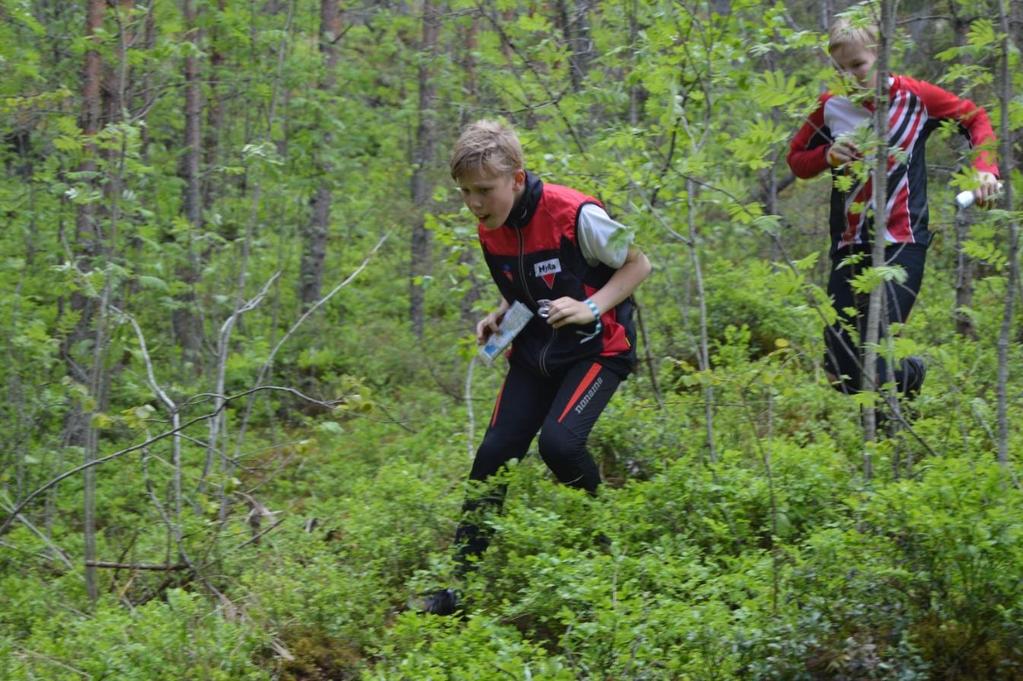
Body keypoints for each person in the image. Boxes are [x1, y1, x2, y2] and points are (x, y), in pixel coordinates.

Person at [422, 120, 652, 615]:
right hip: (534, 350)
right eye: (465, 193)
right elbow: (524, 290)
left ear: (518, 178)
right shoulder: (490, 228)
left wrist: (591, 307)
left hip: (598, 348)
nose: (475, 204)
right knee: (493, 457)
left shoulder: (575, 214)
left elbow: (638, 265)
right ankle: (458, 589)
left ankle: (613, 547)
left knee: (559, 445)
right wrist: (501, 314)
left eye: (484, 191)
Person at [787, 16, 1000, 406]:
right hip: (849, 244)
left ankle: (892, 443)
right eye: (839, 69)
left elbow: (975, 117)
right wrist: (827, 155)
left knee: (875, 348)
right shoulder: (829, 106)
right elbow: (796, 160)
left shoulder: (914, 96)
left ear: (880, 56)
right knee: (840, 371)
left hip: (903, 238)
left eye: (857, 66)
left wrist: (984, 169)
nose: (849, 76)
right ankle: (911, 377)